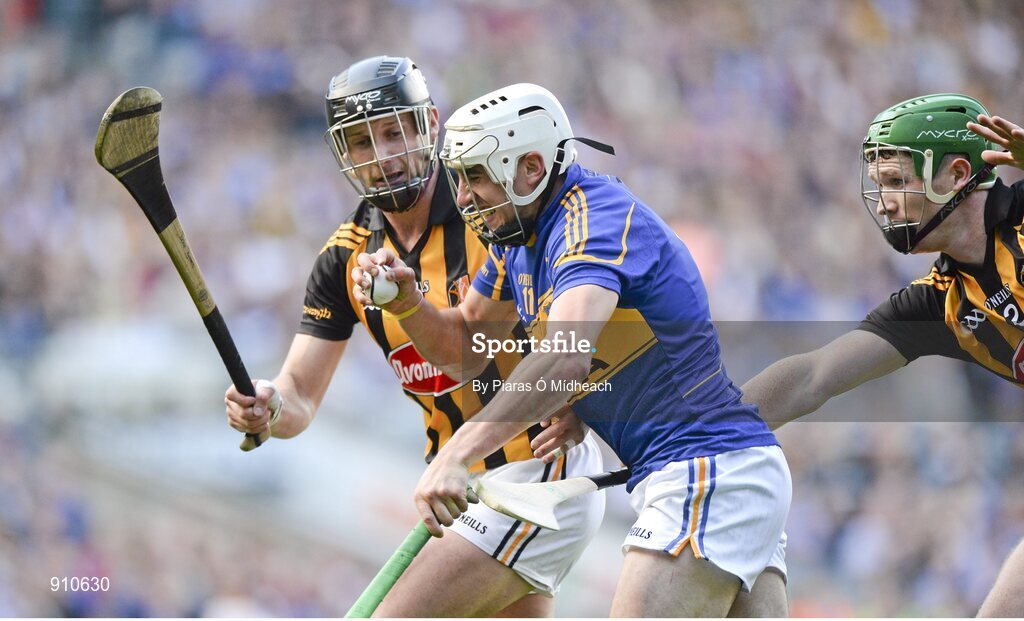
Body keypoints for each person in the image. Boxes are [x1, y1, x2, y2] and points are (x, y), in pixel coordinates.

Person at [353, 83, 791, 617]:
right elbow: (467, 346)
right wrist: (407, 303)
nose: (462, 198)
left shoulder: (589, 219)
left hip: (703, 469)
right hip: (723, 473)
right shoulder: (520, 240)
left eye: (475, 177)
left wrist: (457, 453)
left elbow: (564, 356)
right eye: (459, 180)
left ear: (531, 167)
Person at [224, 57, 607, 618]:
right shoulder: (342, 259)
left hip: (537, 473)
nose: (380, 156)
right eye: (360, 142)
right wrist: (268, 405)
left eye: (392, 132)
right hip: (461, 492)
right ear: (341, 153)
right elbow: (299, 398)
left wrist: (593, 404)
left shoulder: (494, 212)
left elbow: (579, 341)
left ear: (428, 124)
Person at [738, 93, 1024, 617]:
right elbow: (812, 377)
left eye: (898, 181)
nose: (886, 200)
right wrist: (699, 432)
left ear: (958, 173)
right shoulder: (941, 302)